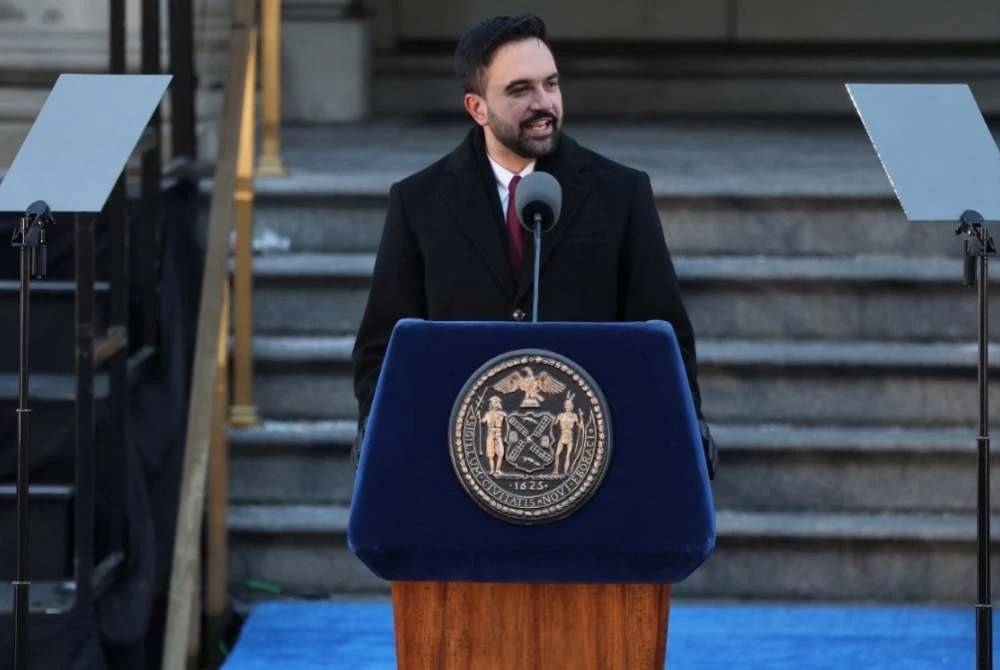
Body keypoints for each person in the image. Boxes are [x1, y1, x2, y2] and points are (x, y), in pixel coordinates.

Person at [351, 14, 717, 477]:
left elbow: (664, 336)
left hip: (591, 466)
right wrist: (379, 430)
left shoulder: (620, 193)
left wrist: (686, 427)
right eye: (520, 90)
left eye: (552, 84)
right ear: (477, 107)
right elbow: (381, 345)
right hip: (457, 468)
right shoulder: (418, 201)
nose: (544, 103)